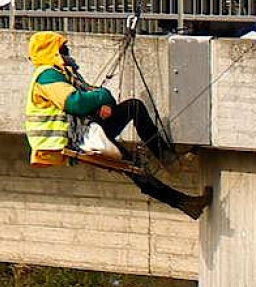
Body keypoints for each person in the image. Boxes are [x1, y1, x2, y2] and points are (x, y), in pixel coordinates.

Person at [24, 31, 211, 220]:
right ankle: (185, 203)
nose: (68, 52)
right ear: (52, 51)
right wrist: (102, 97)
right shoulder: (47, 75)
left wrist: (103, 103)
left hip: (86, 129)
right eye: (63, 48)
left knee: (133, 108)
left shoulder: (62, 73)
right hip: (73, 138)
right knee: (132, 167)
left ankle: (168, 161)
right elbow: (75, 103)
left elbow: (88, 96)